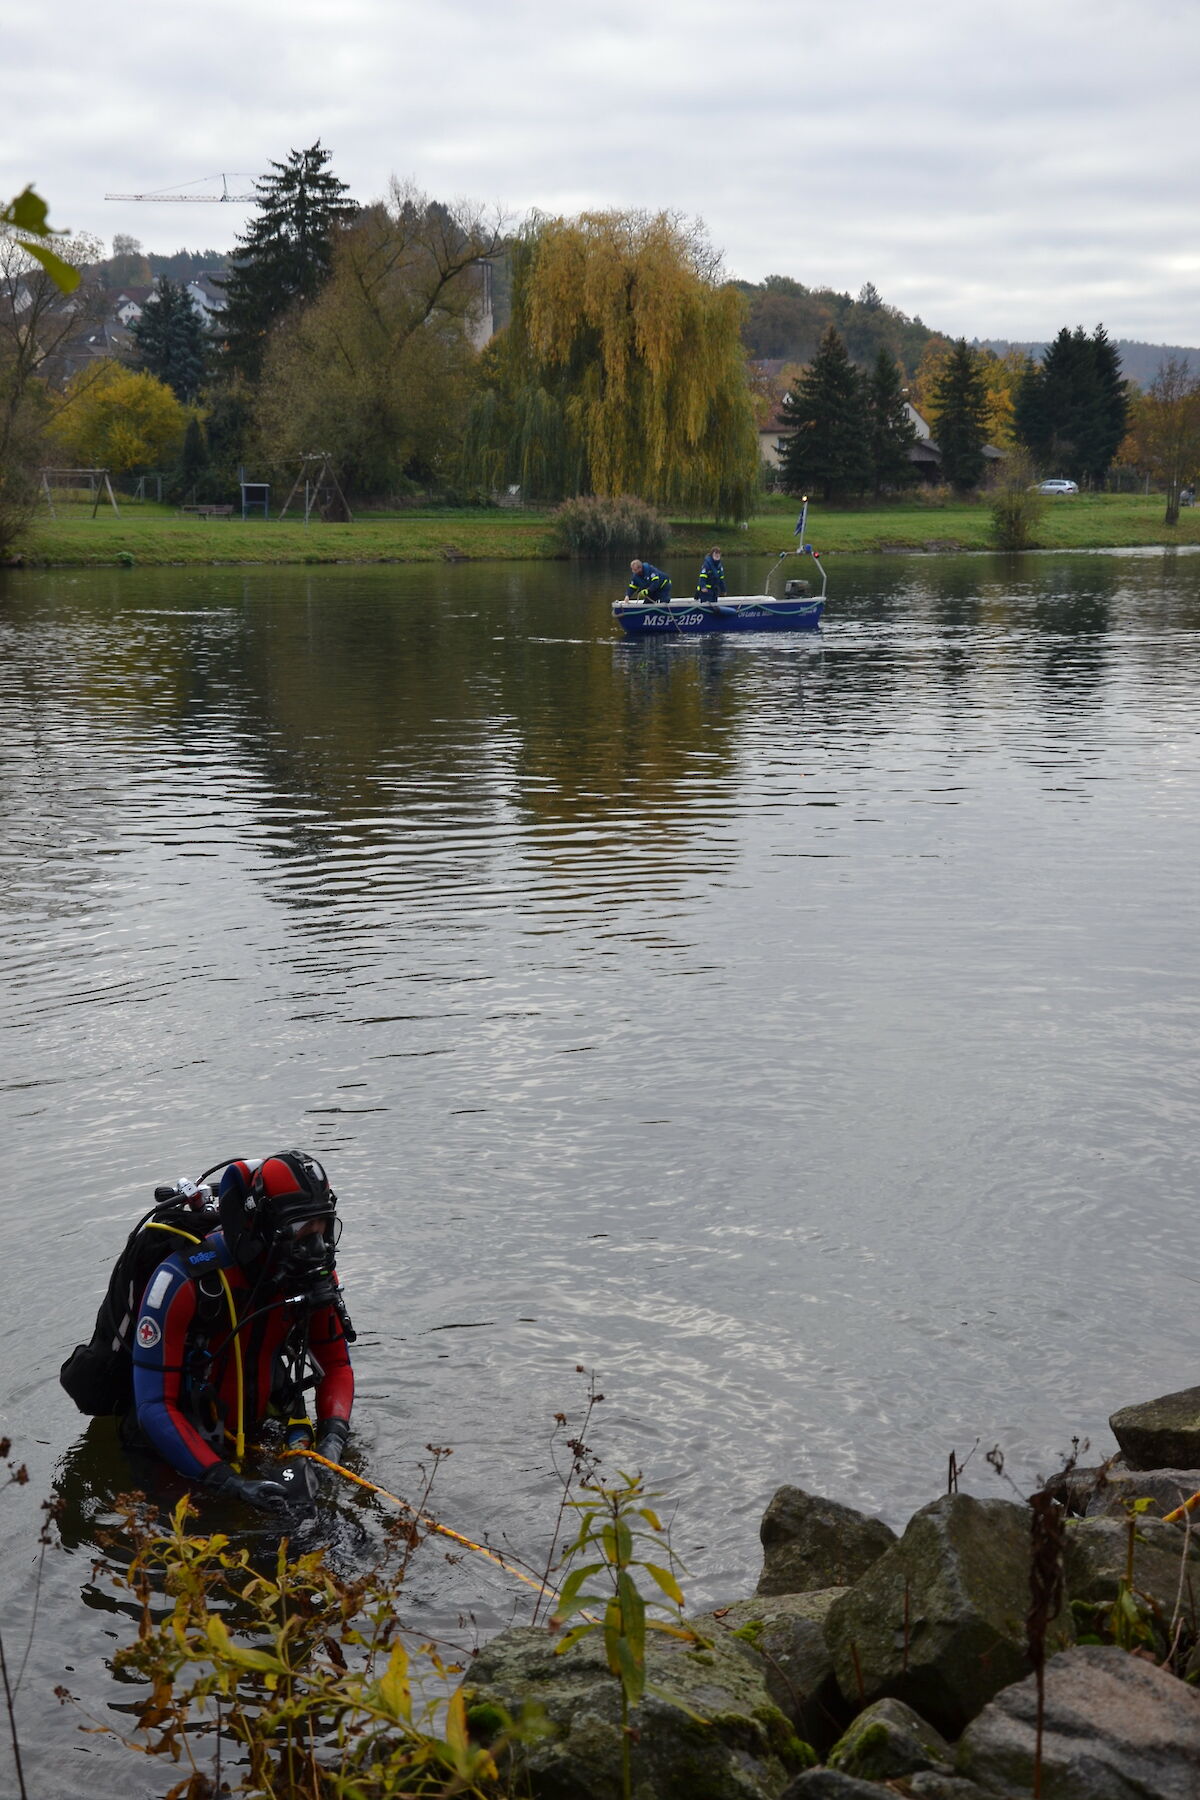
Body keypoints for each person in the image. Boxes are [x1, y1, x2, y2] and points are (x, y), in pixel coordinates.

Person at [128, 1150, 355, 1511]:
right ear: (262, 1226)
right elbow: (153, 1406)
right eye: (300, 1231)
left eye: (322, 1227)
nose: (315, 1247)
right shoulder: (183, 1281)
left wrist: (332, 1440)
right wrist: (228, 1482)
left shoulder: (311, 1273)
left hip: (260, 1427)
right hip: (177, 1442)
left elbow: (337, 1366)